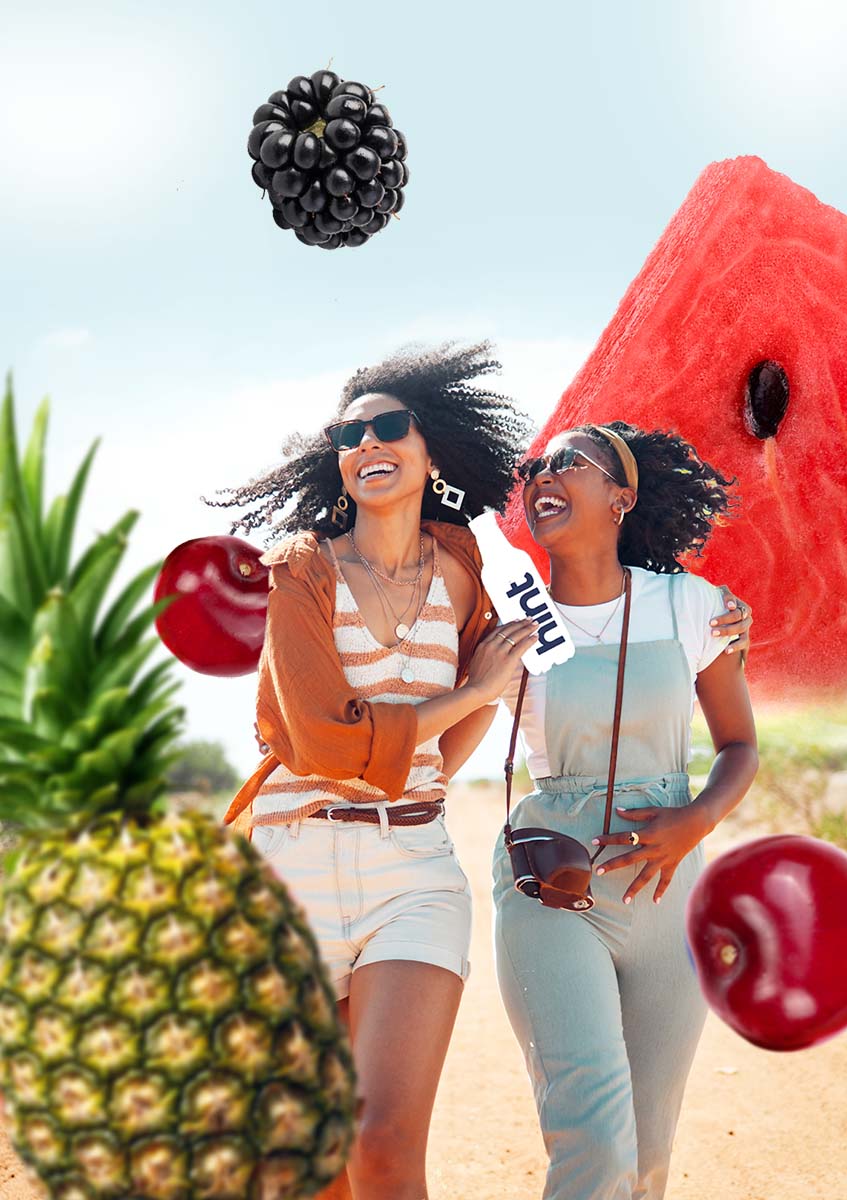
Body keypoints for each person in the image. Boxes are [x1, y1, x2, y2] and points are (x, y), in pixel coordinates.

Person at [210, 342, 539, 1200]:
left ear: (432, 451)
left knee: (384, 1145)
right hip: (295, 866)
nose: (366, 443)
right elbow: (321, 740)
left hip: (414, 876)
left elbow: (457, 733)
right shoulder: (301, 571)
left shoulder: (464, 571)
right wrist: (468, 692)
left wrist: (462, 706)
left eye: (388, 426)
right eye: (347, 435)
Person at [492, 421, 758, 1200]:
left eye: (568, 463)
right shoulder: (513, 614)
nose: (545, 476)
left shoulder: (688, 605)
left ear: (621, 496)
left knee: (645, 1161)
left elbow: (739, 745)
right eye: (536, 467)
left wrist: (697, 819)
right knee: (594, 1145)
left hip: (670, 894)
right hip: (554, 885)